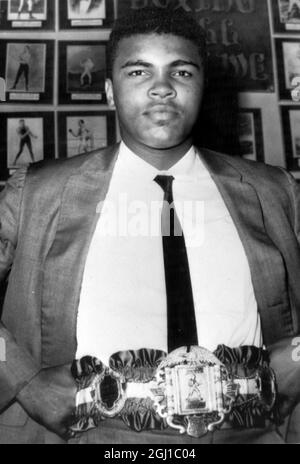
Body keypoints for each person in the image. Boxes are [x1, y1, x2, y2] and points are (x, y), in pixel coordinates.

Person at [0, 7, 300, 445]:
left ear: (203, 86)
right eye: (139, 71)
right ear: (108, 91)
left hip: (250, 433)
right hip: (96, 437)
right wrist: (22, 378)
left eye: (181, 71)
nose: (162, 88)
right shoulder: (38, 193)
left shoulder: (273, 191)